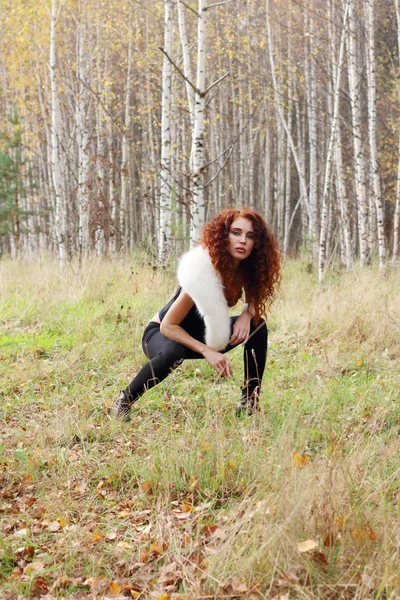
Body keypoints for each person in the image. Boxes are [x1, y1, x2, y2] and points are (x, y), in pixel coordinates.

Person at [113, 208, 281, 419]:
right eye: (236, 233)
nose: (243, 241)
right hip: (163, 334)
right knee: (175, 352)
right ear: (224, 236)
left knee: (259, 325)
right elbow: (168, 326)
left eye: (250, 236)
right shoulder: (203, 271)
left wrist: (247, 315)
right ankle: (124, 400)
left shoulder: (249, 269)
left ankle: (249, 401)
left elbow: (254, 297)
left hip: (203, 332)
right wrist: (207, 351)